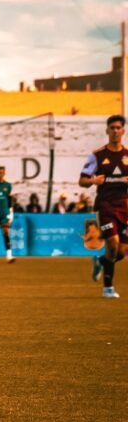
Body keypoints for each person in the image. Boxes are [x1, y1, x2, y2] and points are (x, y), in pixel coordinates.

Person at [79, 114, 128, 298]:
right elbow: (82, 181)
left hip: (124, 206)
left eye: (118, 128)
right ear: (107, 130)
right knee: (112, 245)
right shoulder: (97, 155)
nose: (115, 131)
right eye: (112, 128)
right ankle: (108, 288)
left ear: (123, 131)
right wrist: (93, 180)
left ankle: (100, 261)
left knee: (121, 252)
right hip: (105, 206)